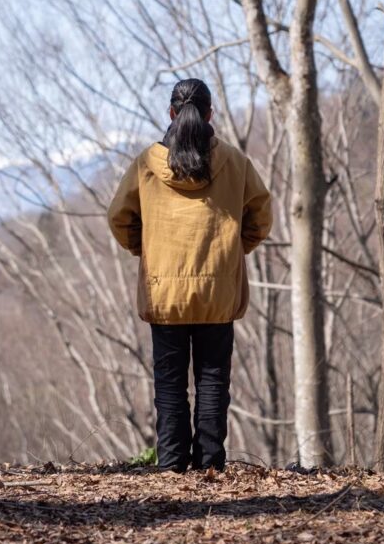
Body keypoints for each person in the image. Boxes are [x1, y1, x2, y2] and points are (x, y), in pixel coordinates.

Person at [107, 77, 272, 474]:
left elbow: (119, 217)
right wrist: (233, 253)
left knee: (169, 385)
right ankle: (210, 467)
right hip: (218, 290)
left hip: (164, 291)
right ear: (210, 114)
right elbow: (260, 218)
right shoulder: (234, 162)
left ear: (171, 113)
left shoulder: (147, 164)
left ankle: (171, 466)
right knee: (213, 383)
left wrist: (145, 250)